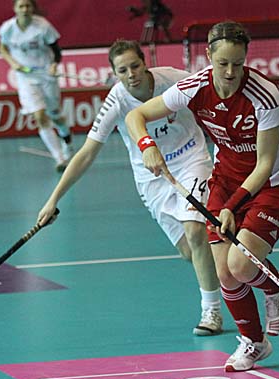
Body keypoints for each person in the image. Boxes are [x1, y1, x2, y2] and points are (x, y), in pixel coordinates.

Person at [126, 21, 279, 372]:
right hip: (226, 180)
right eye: (223, 63)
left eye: (238, 63)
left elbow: (264, 164)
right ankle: (255, 342)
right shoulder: (195, 87)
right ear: (208, 55)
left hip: (273, 184)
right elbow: (137, 115)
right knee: (225, 271)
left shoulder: (264, 95)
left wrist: (231, 208)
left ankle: (275, 288)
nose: (230, 72)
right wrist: (146, 145)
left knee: (241, 264)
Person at [38, 40, 224, 336]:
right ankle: (258, 276)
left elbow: (215, 93)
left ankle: (211, 312)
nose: (131, 75)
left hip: (191, 160)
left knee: (195, 230)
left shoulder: (173, 79)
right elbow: (86, 153)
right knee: (192, 252)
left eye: (135, 66)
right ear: (114, 73)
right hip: (152, 177)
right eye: (122, 70)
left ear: (145, 63)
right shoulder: (116, 100)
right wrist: (53, 200)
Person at [0, 0, 74, 172]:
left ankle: (67, 142)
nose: (25, 9)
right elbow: (2, 48)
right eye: (21, 6)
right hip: (25, 77)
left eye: (28, 6)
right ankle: (59, 158)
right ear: (15, 9)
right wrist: (13, 63)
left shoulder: (43, 26)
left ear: (32, 8)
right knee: (39, 115)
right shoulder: (8, 28)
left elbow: (56, 51)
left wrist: (54, 65)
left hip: (46, 75)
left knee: (56, 116)